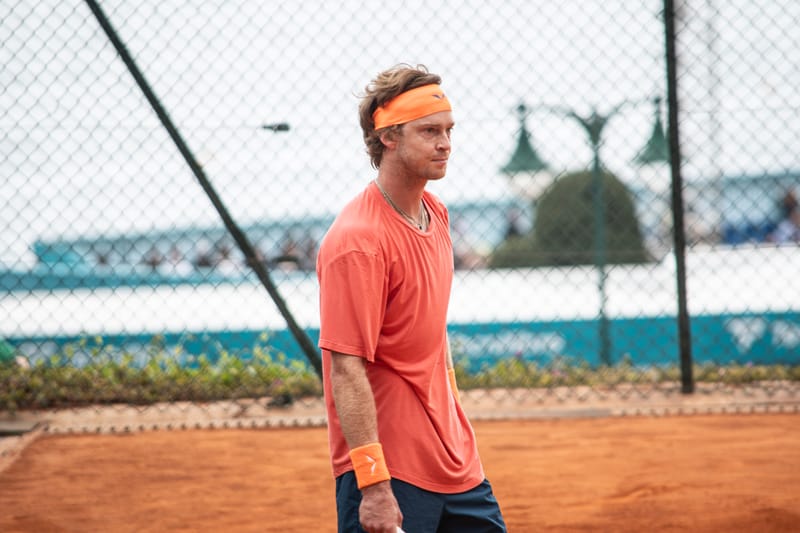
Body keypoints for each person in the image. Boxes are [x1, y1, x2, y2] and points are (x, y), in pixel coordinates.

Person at [316, 64, 507, 532]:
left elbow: (429, 343)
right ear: (389, 138)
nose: (445, 143)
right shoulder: (357, 241)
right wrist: (374, 486)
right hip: (391, 472)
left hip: (458, 462)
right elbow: (347, 370)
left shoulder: (436, 214)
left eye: (448, 131)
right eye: (429, 132)